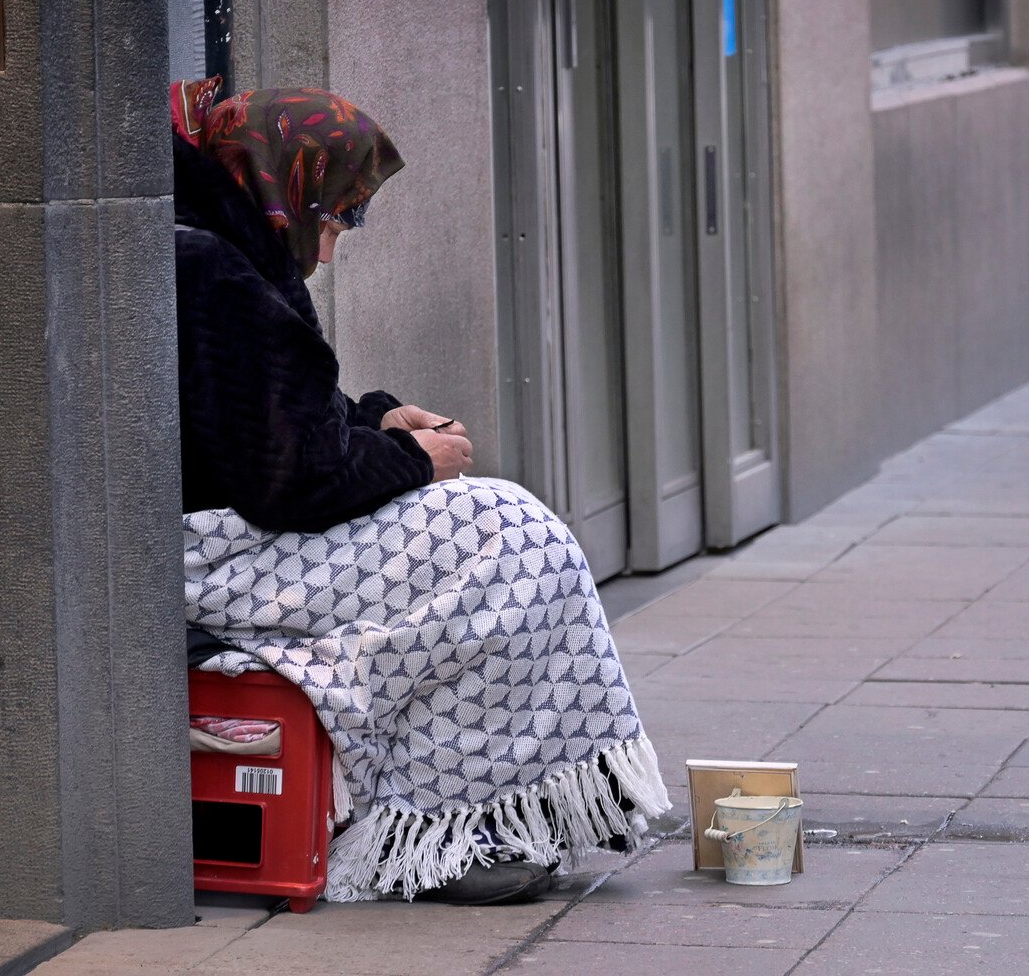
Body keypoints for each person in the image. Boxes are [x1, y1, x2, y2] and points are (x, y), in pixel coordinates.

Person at [171, 79, 671, 905]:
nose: (331, 246)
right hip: (211, 557)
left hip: (234, 535)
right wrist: (411, 460)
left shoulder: (228, 246)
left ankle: (486, 814)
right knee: (508, 546)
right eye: (335, 216)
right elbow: (287, 482)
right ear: (280, 182)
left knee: (510, 538)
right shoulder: (212, 270)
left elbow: (269, 424)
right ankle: (431, 830)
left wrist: (376, 416)